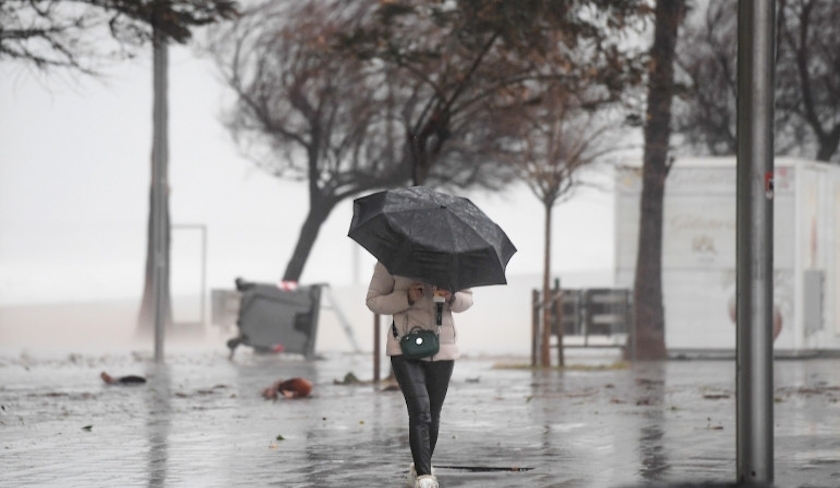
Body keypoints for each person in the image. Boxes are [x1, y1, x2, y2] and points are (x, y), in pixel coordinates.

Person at [366, 261, 473, 488]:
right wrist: (407, 296)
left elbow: (468, 299)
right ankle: (425, 475)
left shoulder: (451, 259)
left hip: (442, 347)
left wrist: (451, 296)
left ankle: (419, 467)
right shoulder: (392, 259)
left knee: (433, 413)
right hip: (404, 347)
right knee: (420, 410)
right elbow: (373, 301)